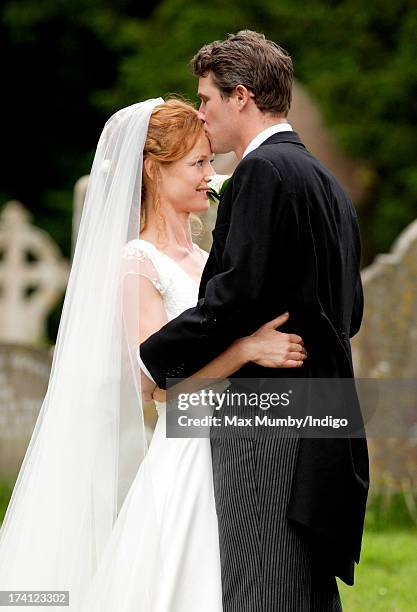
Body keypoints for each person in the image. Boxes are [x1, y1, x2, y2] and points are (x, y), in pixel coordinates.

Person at [0, 97, 306, 611]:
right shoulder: (138, 263)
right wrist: (247, 349)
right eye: (198, 164)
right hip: (186, 451)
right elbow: (155, 387)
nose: (211, 176)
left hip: (235, 444)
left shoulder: (209, 259)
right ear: (153, 171)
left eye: (210, 162)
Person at [140, 31, 369, 611]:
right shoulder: (325, 182)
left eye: (207, 100)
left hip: (266, 421)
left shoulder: (263, 172)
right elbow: (353, 312)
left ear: (240, 96)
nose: (202, 114)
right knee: (302, 589)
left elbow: (231, 300)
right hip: (325, 420)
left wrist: (155, 358)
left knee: (261, 586)